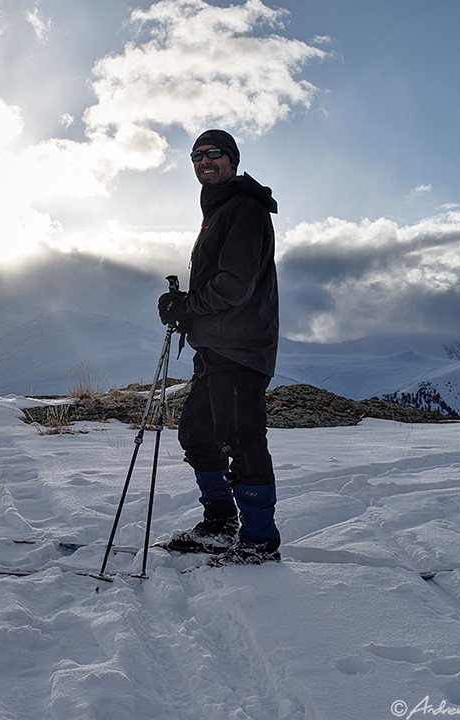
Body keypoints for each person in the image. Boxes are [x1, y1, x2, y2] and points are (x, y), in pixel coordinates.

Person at [156, 129, 281, 566]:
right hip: (217, 347)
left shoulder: (244, 209)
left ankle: (260, 540)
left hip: (241, 348)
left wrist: (187, 305)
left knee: (241, 441)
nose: (204, 161)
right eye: (197, 155)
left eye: (214, 154)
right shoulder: (221, 211)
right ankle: (221, 522)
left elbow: (234, 285)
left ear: (232, 160)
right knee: (196, 433)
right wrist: (187, 311)